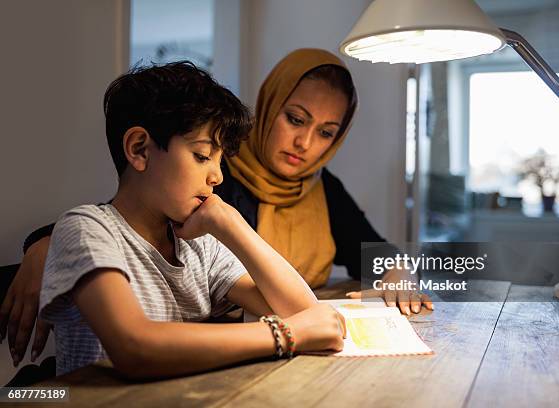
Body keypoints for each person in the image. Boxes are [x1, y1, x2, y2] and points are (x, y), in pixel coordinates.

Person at [1, 49, 431, 368]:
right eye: (204, 156)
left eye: (326, 132)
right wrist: (284, 334)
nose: (218, 178)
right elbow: (133, 343)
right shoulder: (109, 225)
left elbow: (309, 310)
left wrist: (230, 224)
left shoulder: (203, 233)